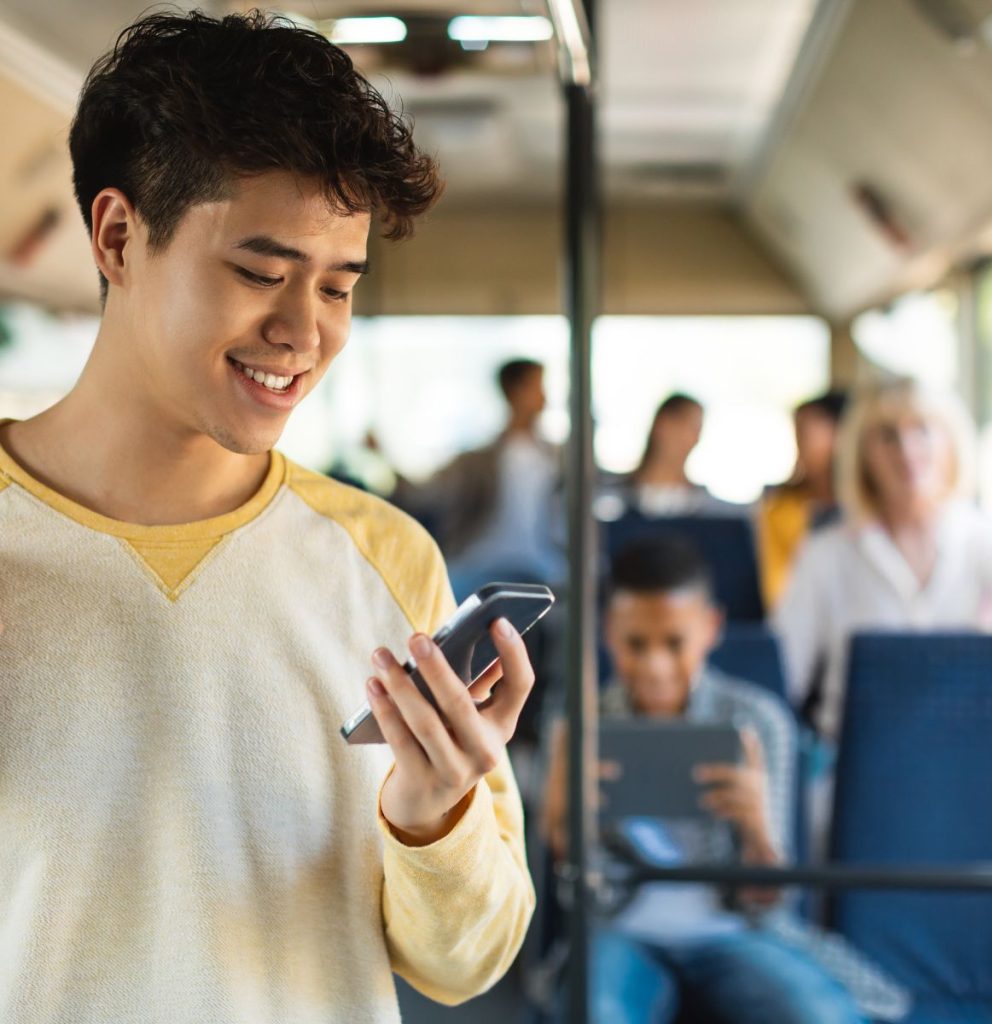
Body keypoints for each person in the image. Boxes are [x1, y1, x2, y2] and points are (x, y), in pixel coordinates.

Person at [0, 12, 535, 1023]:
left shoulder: (382, 561)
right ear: (119, 236)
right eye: (259, 273)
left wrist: (432, 817)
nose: (303, 333)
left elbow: (467, 963)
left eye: (338, 286)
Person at [542, 538, 909, 1024]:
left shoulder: (756, 720)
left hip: (734, 931)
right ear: (610, 633)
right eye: (636, 645)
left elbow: (769, 900)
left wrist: (757, 831)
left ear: (710, 629)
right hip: (620, 929)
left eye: (674, 644)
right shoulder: (578, 726)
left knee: (821, 1017)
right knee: (598, 1013)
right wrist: (560, 825)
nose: (655, 667)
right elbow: (574, 893)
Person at [774, 376, 992, 742]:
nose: (907, 450)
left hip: (969, 754)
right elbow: (782, 672)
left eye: (922, 430)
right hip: (858, 761)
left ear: (951, 441)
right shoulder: (826, 554)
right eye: (888, 436)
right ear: (862, 453)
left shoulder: (987, 540)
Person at [395, 358, 564, 600]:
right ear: (514, 392)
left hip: (542, 565)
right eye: (538, 388)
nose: (545, 399)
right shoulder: (476, 460)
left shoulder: (558, 457)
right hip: (481, 560)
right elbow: (423, 493)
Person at [758, 390, 847, 610]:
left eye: (806, 435)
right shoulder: (778, 510)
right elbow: (776, 593)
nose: (800, 446)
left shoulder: (868, 511)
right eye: (797, 435)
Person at [609, 392, 739, 518]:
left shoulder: (710, 510)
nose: (693, 439)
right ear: (661, 424)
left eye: (697, 430)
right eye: (685, 426)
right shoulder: (611, 501)